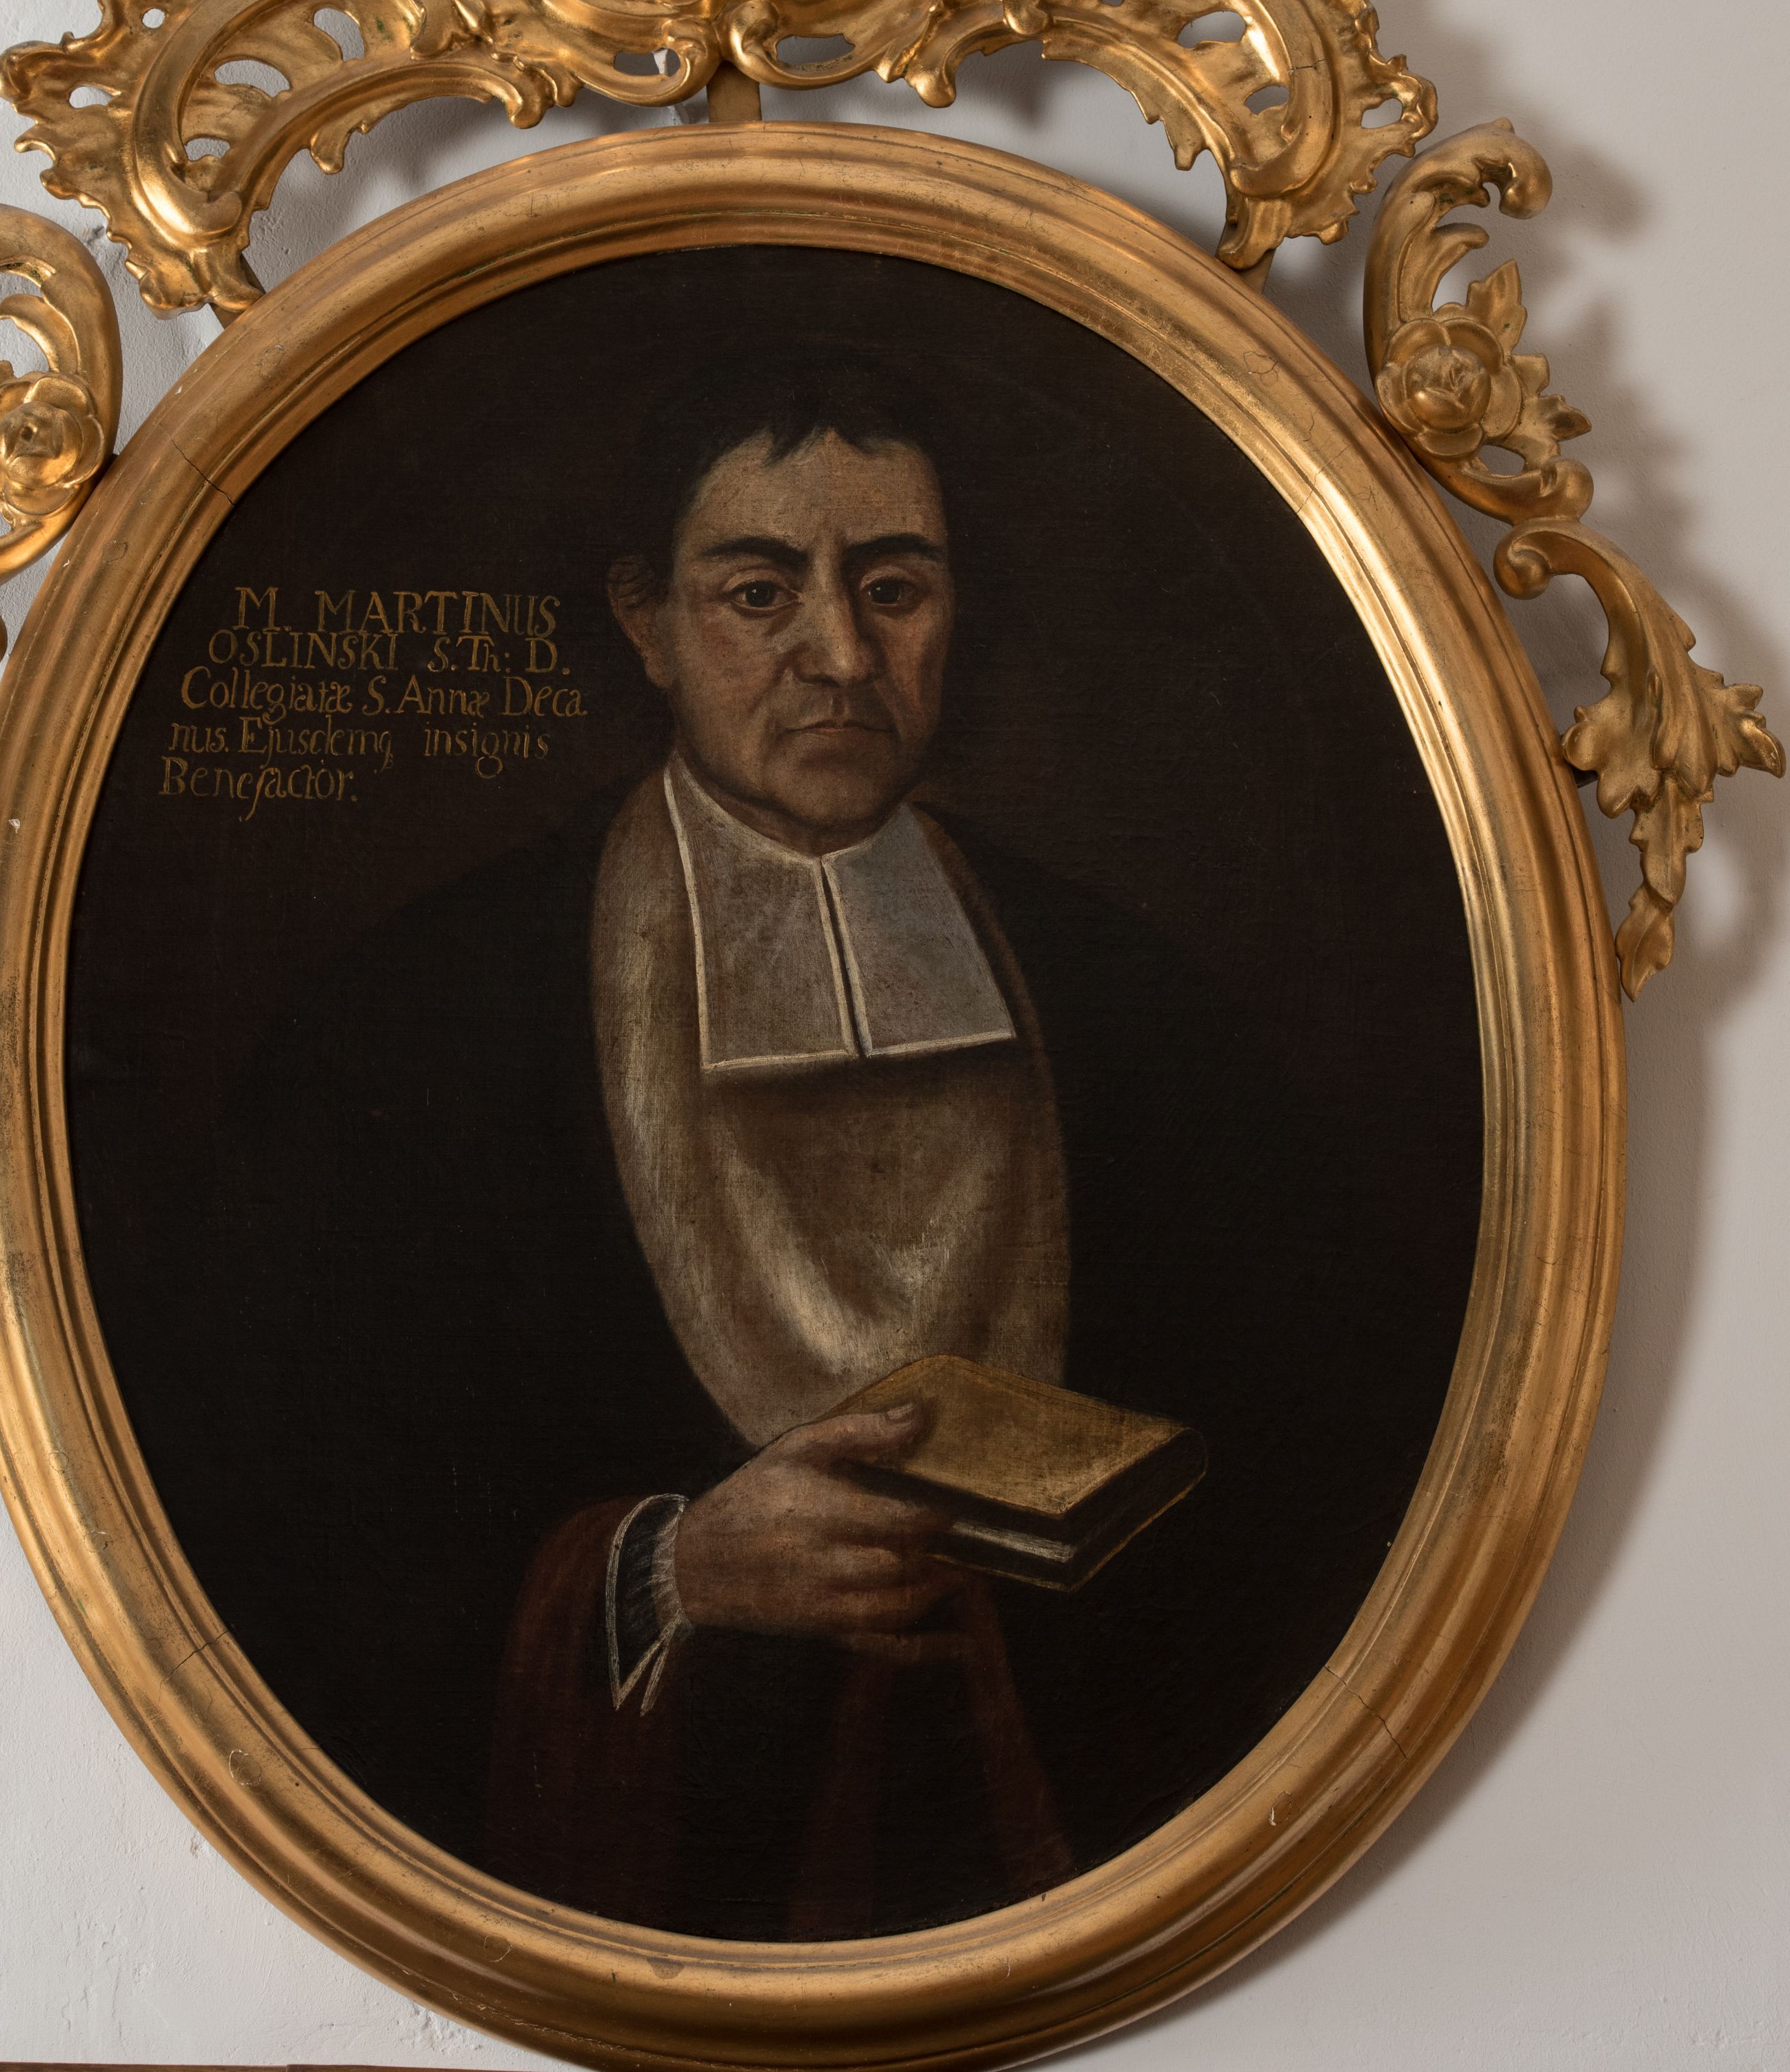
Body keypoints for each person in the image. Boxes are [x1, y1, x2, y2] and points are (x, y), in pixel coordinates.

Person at [208, 344, 1449, 1938]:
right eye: (757, 594)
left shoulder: (1132, 1003)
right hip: (671, 1879)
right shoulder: (409, 1021)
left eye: (895, 588)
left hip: (1089, 1854)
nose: (842, 655)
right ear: (646, 623)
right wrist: (668, 1570)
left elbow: (1335, 1452)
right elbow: (305, 1519)